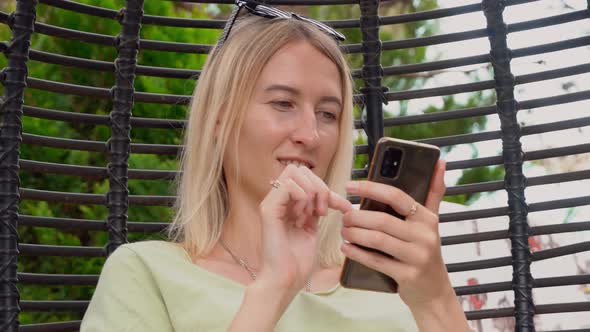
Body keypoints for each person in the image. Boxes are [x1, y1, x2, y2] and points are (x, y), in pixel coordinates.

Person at [81, 1, 470, 331]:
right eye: (283, 103)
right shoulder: (146, 272)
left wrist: (435, 297)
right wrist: (274, 288)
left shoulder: (392, 282)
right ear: (219, 119)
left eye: (328, 113)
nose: (311, 134)